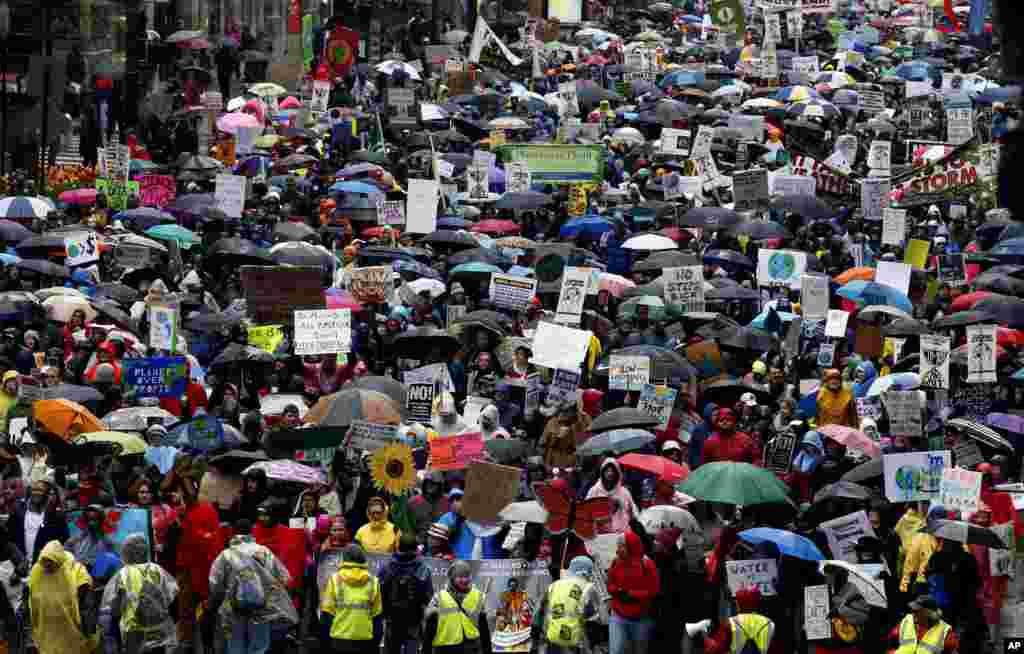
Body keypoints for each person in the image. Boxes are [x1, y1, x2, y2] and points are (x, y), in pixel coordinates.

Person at [208, 518, 298, 654]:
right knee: (259, 648)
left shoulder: (226, 555)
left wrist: (218, 600)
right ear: (251, 533)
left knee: (234, 646)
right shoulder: (264, 552)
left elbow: (214, 583)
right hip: (261, 609)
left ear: (233, 533)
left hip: (233, 609)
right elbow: (285, 578)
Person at [98, 533, 179, 654]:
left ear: (126, 552)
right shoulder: (157, 570)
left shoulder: (122, 574)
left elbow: (112, 608)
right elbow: (172, 595)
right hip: (158, 631)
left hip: (133, 633)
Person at [28, 540, 98, 654]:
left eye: (50, 562)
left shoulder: (72, 568)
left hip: (68, 624)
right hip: (46, 625)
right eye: (45, 562)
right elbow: (31, 596)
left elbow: (85, 589)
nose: (47, 566)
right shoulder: (38, 570)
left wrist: (86, 622)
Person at [319, 543, 384, 654]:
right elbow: (377, 617)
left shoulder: (335, 579)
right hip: (365, 641)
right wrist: (375, 643)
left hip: (339, 640)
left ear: (344, 558)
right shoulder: (373, 581)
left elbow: (327, 614)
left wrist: (326, 643)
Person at [531, 556, 600, 654]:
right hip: (575, 644)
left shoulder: (554, 585)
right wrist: (594, 645)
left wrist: (535, 639)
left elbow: (539, 612)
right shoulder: (588, 588)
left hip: (552, 639)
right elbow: (593, 621)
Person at [379, 533, 435, 654]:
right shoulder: (422, 569)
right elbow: (428, 597)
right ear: (416, 549)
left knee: (391, 649)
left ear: (398, 548)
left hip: (392, 620)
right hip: (413, 620)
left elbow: (379, 592)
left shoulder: (387, 567)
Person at [606, 528, 659, 654]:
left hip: (641, 618)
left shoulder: (647, 564)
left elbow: (654, 590)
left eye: (621, 546)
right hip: (618, 614)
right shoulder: (615, 562)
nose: (618, 550)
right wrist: (617, 591)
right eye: (618, 546)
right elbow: (610, 584)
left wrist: (631, 594)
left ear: (631, 547)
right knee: (616, 650)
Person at [422, 560, 492, 654]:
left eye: (467, 576)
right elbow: (429, 630)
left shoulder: (477, 595)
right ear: (452, 578)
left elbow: (484, 628)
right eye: (460, 577)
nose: (464, 580)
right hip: (445, 648)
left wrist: (487, 650)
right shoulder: (439, 598)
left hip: (472, 647)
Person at [699, 588, 774, 654]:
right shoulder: (769, 623)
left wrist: (705, 636)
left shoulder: (730, 623)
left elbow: (715, 649)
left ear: (739, 604)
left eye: (737, 601)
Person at [11, 479, 70, 562]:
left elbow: (63, 537)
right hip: (19, 564)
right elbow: (10, 537)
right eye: (34, 489)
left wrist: (49, 550)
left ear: (47, 493)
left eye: (40, 490)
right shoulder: (18, 512)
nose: (36, 492)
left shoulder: (55, 516)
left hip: (42, 565)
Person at [887, 595, 958, 654]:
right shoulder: (907, 621)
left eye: (916, 611)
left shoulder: (945, 632)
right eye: (912, 610)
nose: (913, 613)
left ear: (928, 614)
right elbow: (890, 642)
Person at [585, 459, 637, 534]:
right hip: (600, 534)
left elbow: (633, 510)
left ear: (617, 473)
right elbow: (586, 512)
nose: (610, 473)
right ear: (602, 473)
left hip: (621, 533)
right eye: (607, 471)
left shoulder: (624, 492)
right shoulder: (594, 491)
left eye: (613, 471)